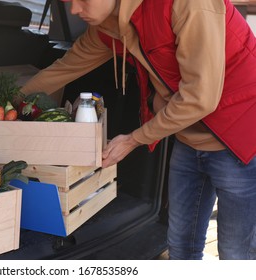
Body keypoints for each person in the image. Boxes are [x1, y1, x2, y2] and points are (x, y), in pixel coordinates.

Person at [20, 0, 256, 260]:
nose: (75, 10)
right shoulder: (108, 28)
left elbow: (201, 97)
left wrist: (134, 139)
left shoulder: (186, 3)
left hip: (241, 139)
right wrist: (9, 101)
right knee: (180, 249)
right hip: (188, 139)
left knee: (236, 254)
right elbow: (63, 69)